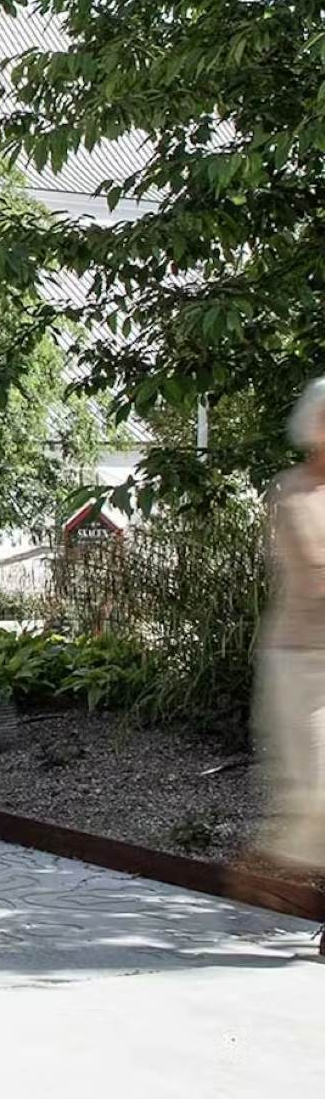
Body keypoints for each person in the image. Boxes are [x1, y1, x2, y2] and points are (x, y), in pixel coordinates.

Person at [253, 380, 325, 915]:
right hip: (302, 660)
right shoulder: (293, 493)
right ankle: (267, 866)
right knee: (314, 796)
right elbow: (314, 573)